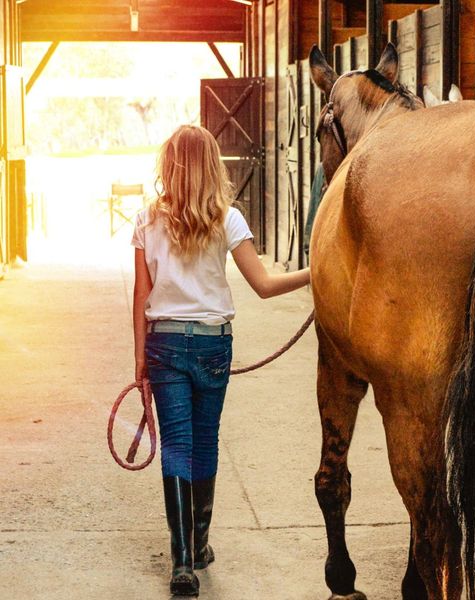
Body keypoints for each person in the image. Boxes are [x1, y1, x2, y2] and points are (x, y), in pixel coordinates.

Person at [131, 125, 310, 596]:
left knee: (176, 444)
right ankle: (201, 543)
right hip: (212, 344)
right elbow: (266, 286)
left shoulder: (146, 221)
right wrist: (318, 270)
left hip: (164, 344)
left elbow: (140, 296)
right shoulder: (227, 219)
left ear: (169, 164)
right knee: (204, 441)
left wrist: (139, 360)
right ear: (212, 164)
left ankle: (183, 563)